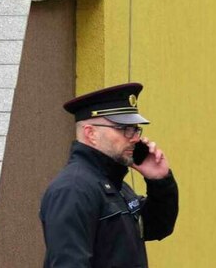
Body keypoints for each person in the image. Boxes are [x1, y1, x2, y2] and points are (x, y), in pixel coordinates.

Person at [39, 83, 180, 268]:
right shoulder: (73, 189)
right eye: (124, 128)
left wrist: (159, 181)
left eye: (136, 128)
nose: (135, 137)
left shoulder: (114, 185)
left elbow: (157, 227)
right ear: (91, 133)